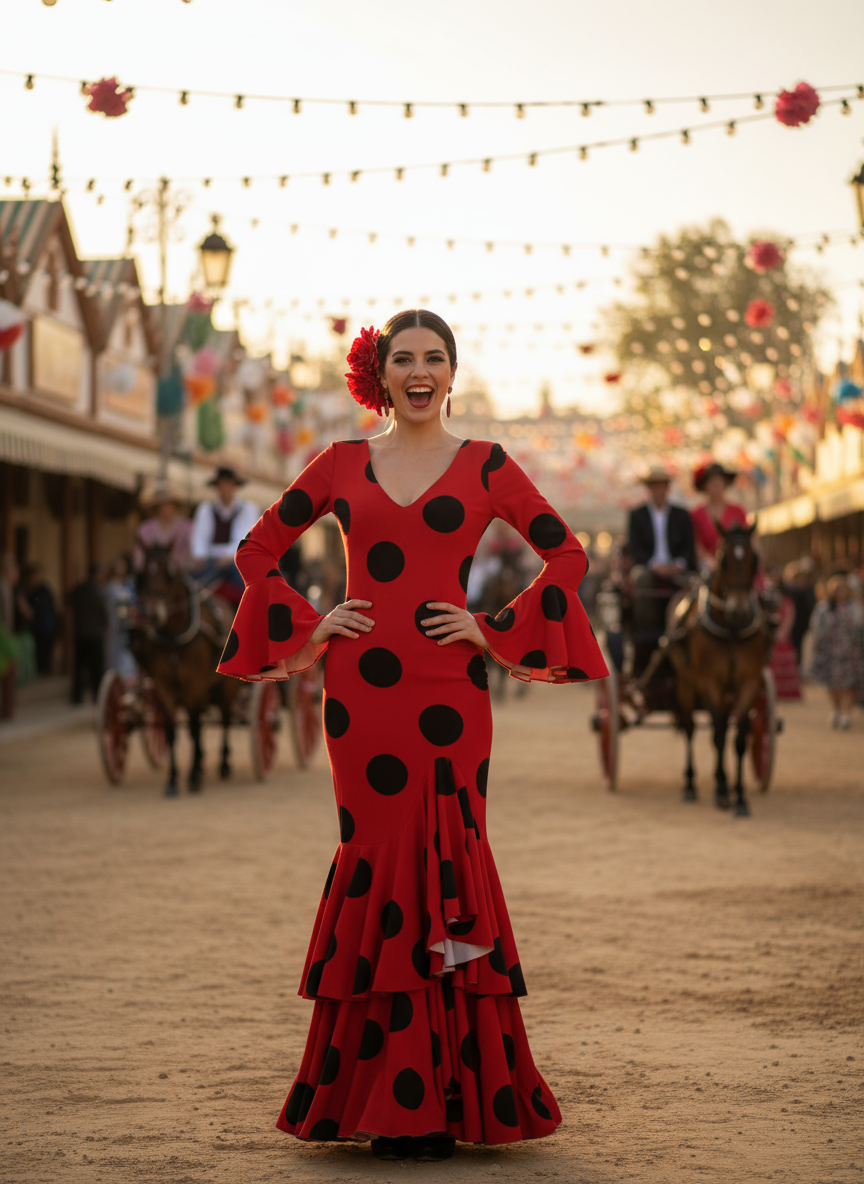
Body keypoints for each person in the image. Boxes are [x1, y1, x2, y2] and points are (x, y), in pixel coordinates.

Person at [217, 311, 607, 1162]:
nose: (420, 370)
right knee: (378, 856)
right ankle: (392, 1097)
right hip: (362, 697)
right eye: (405, 359)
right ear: (381, 375)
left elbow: (567, 556)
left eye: (435, 358)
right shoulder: (340, 462)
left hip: (449, 694)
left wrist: (493, 630)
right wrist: (314, 626)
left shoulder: (488, 466)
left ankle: (443, 1098)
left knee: (448, 853)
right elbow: (256, 552)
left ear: (452, 373)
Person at [626, 466, 697, 676]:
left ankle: (688, 627)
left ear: (668, 488)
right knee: (641, 579)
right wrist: (653, 564)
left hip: (677, 569)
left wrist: (679, 564)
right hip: (649, 568)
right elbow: (635, 549)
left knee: (697, 583)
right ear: (649, 488)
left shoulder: (682, 515)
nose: (658, 490)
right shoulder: (637, 515)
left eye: (662, 485)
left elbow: (689, 548)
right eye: (654, 485)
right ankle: (646, 629)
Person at [191, 466, 258, 603]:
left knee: (250, 591)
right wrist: (199, 555)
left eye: (228, 485)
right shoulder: (206, 509)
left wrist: (229, 556)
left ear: (234, 487)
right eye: (222, 485)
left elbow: (244, 538)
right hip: (211, 560)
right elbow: (200, 536)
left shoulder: (247, 509)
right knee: (192, 586)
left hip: (236, 563)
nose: (225, 489)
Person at [809, 574, 864, 729]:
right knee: (832, 684)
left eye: (843, 588)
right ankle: (837, 708)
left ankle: (846, 713)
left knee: (849, 684)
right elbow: (816, 627)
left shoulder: (855, 607)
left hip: (851, 652)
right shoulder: (824, 607)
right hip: (830, 652)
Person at [690, 462, 748, 568]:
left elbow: (747, 539)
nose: (715, 486)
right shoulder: (696, 514)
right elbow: (695, 543)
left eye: (718, 481)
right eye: (711, 482)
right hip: (708, 565)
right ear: (704, 486)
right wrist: (709, 560)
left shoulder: (737, 511)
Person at [68, 564, 108, 704]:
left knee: (79, 668)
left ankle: (77, 697)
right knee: (96, 669)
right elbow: (104, 613)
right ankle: (98, 697)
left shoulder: (79, 590)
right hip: (95, 635)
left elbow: (68, 601)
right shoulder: (98, 592)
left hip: (81, 634)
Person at [133, 484, 194, 572]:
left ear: (175, 505)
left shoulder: (187, 527)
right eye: (163, 505)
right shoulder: (145, 529)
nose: (166, 508)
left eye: (169, 504)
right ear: (157, 507)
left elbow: (192, 554)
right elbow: (138, 558)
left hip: (181, 574)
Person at [19, 563, 58, 675]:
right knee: (37, 651)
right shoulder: (28, 589)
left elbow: (43, 607)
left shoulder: (44, 590)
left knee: (45, 651)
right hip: (35, 626)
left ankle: (45, 671)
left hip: (46, 625)